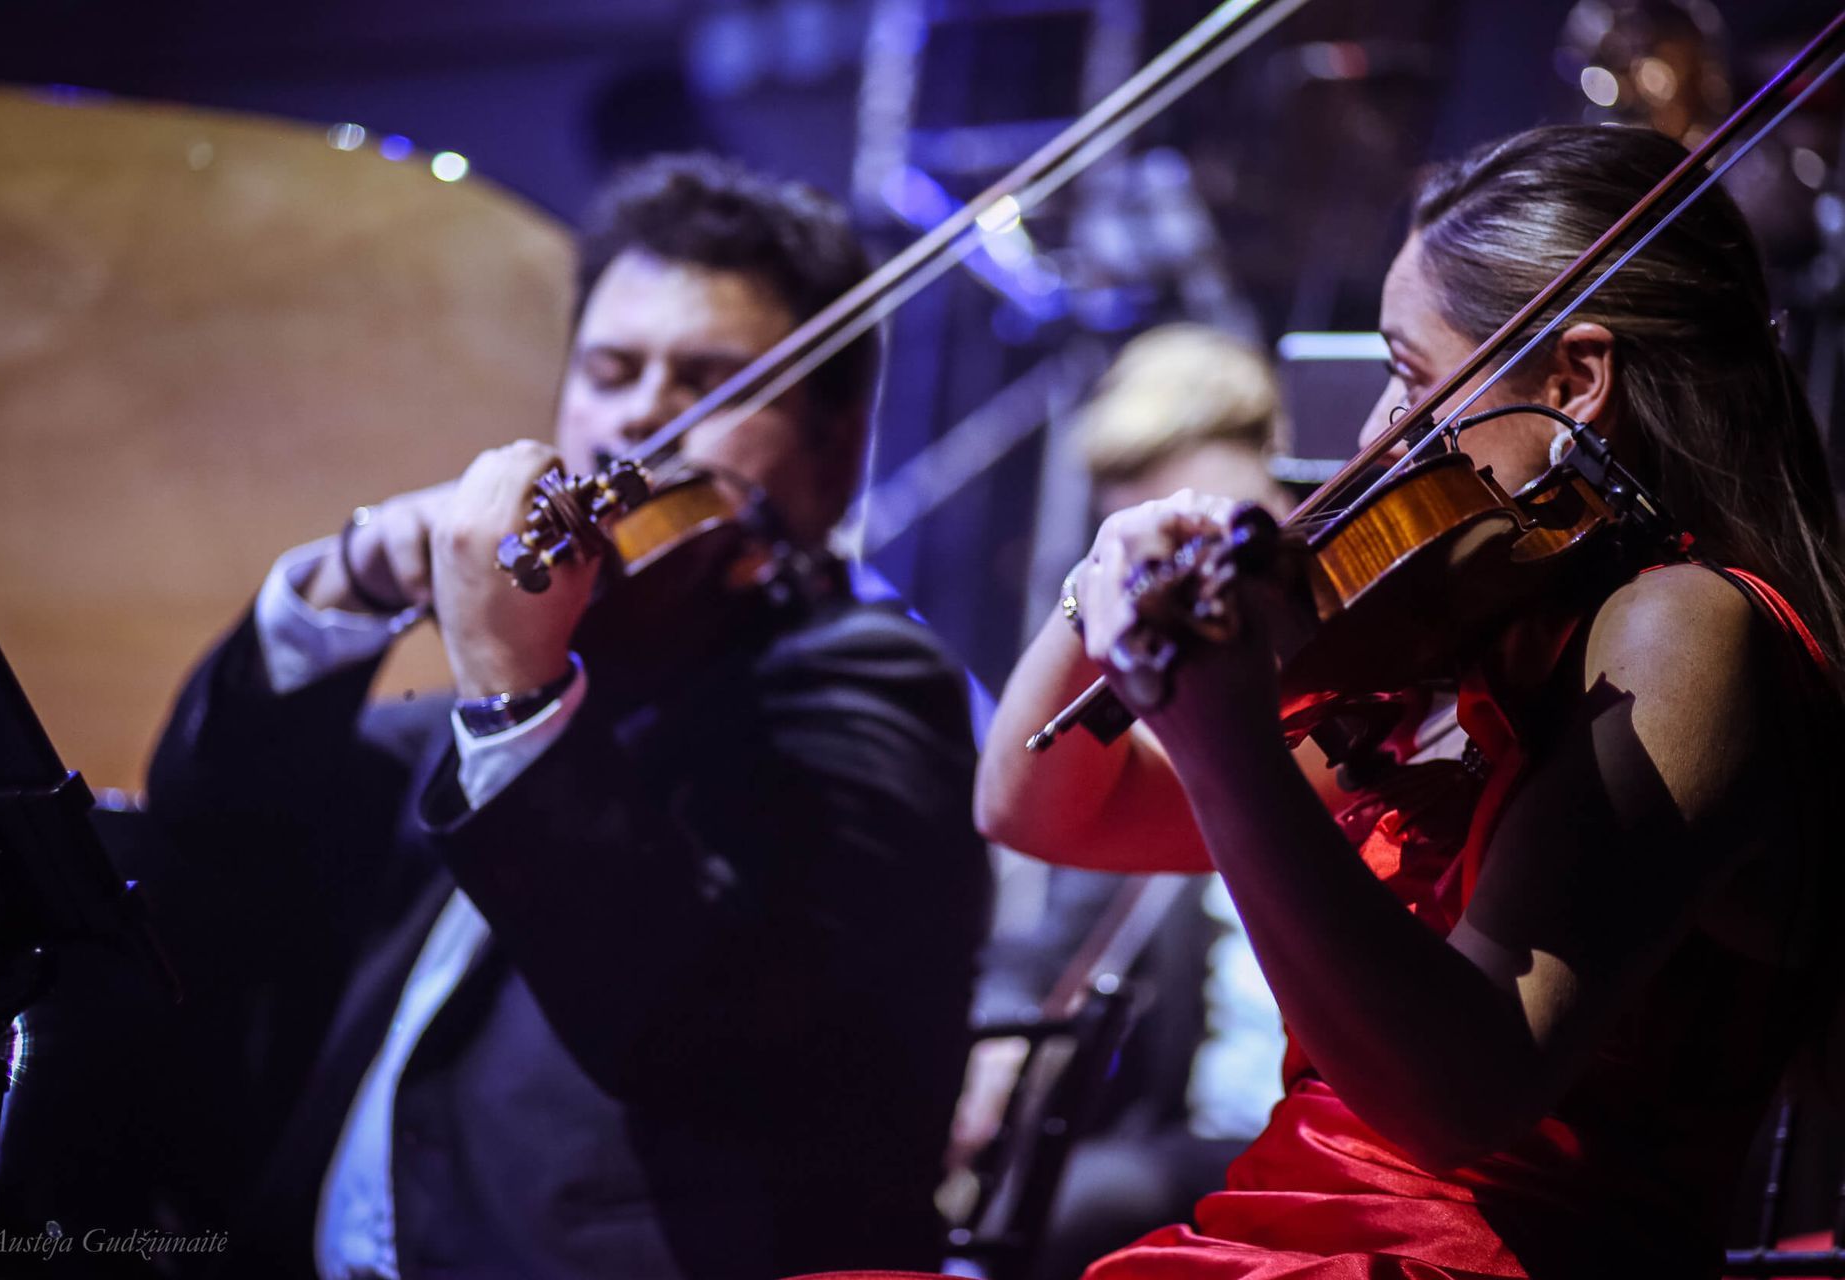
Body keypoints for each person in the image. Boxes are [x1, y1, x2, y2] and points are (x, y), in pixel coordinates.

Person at [975, 123, 1845, 1279]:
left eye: (1414, 373)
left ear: (1576, 382)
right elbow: (1046, 811)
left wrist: (1227, 738)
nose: (1382, 428)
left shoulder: (1689, 626)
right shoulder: (1478, 642)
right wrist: (1104, 583)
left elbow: (1466, 1092)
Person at [144, 153, 990, 1279]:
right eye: (610, 367)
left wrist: (516, 682)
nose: (643, 411)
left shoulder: (864, 683)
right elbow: (212, 819)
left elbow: (694, 1019)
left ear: (835, 450)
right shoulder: (545, 678)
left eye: (714, 381)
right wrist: (345, 583)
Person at [955, 325, 1294, 1280]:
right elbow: (1059, 905)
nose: (1171, 581)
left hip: (1309, 1137)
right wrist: (998, 1048)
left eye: (1198, 523)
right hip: (1198, 1133)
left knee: (1077, 1208)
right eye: (1134, 537)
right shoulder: (1169, 705)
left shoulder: (1348, 688)